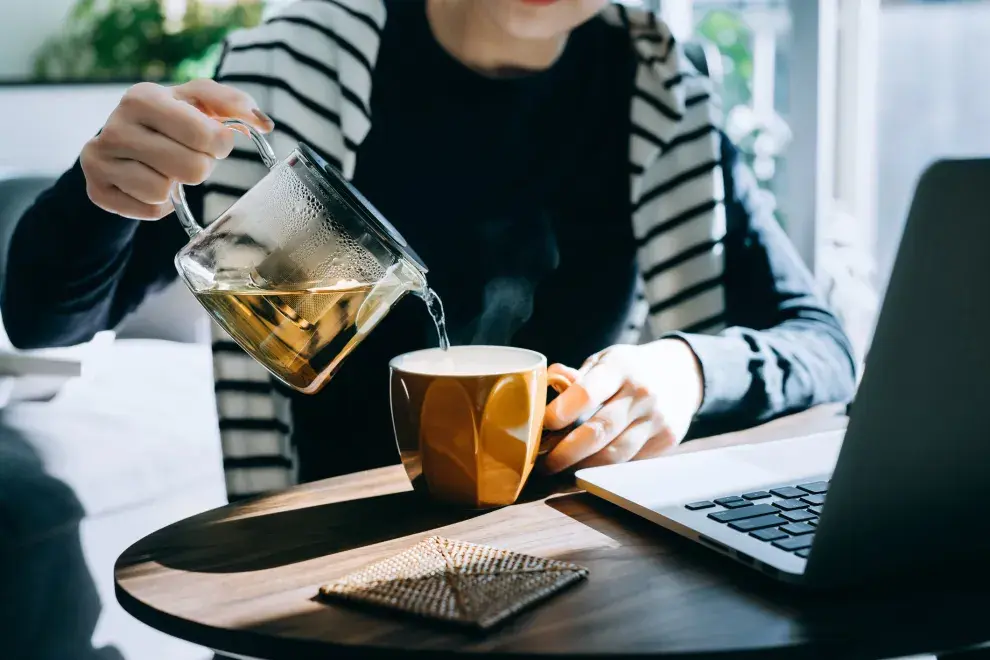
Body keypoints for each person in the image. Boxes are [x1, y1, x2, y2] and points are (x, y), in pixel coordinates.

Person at [1, 0, 856, 499]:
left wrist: (688, 371)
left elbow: (821, 344)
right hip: (322, 578)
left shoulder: (662, 89)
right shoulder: (297, 76)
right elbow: (44, 320)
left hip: (579, 571)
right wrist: (104, 192)